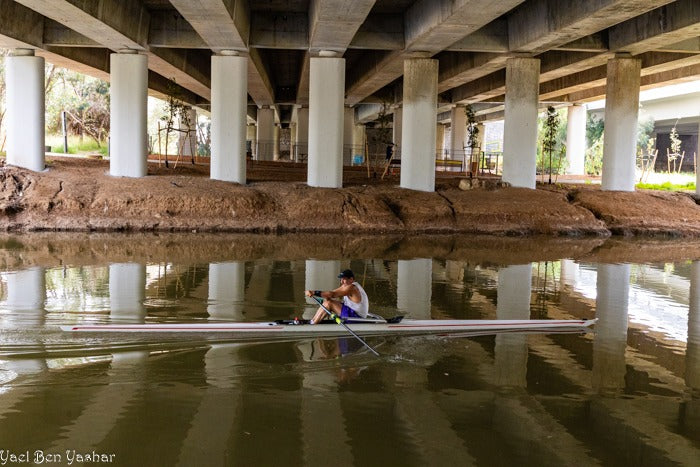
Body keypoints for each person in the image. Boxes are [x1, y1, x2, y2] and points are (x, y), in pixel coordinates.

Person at [305, 269, 369, 324]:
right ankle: (312, 321)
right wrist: (327, 298)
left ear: (351, 279)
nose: (341, 282)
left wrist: (314, 292)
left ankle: (312, 325)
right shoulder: (346, 285)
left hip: (357, 319)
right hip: (352, 314)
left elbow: (332, 294)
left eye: (344, 279)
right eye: (341, 279)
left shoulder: (351, 288)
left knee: (329, 304)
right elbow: (331, 293)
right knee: (328, 301)